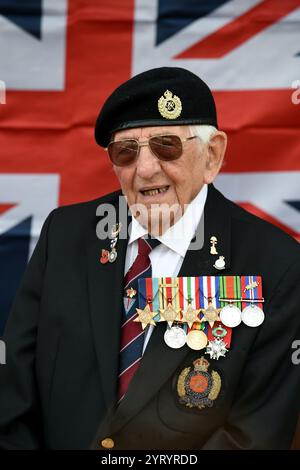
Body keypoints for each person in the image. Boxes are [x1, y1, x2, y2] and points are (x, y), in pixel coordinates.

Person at [0, 67, 299, 450]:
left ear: (212, 154)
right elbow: (12, 398)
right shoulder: (65, 235)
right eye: (125, 152)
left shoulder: (277, 265)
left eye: (166, 146)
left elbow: (253, 436)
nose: (144, 169)